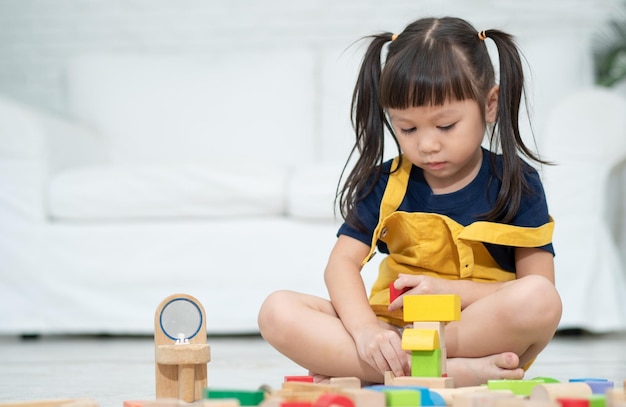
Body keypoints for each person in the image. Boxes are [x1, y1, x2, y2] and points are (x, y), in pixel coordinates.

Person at [257, 16, 562, 388]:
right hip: (393, 332)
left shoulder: (517, 182)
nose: (427, 144)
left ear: (490, 103)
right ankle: (455, 374)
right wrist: (367, 330)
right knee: (277, 311)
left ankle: (394, 371)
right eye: (407, 128)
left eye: (446, 126)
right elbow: (340, 265)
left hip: (474, 335)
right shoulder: (385, 184)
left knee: (539, 300)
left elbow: (539, 287)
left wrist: (451, 291)